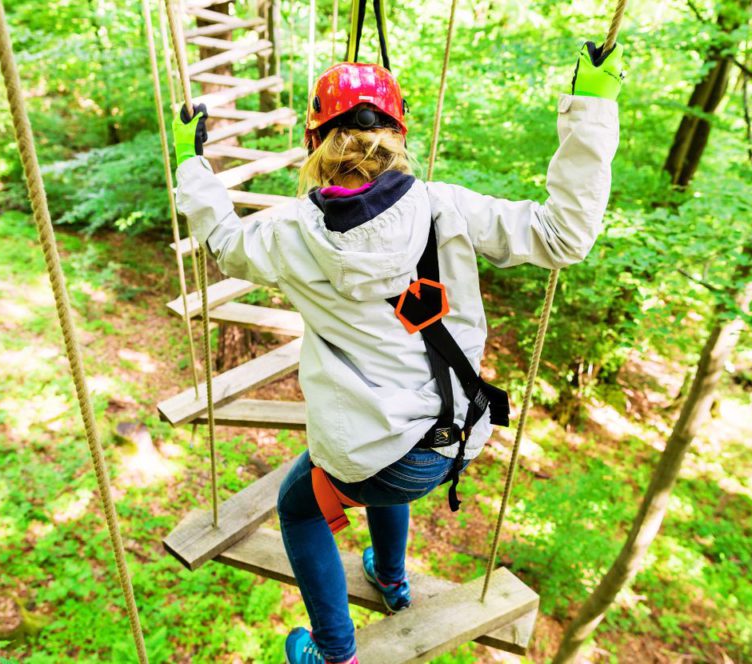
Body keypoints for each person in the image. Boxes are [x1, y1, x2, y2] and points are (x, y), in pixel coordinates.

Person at [172, 40, 623, 664]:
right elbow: (562, 235)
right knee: (377, 458)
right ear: (397, 138)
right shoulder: (446, 207)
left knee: (300, 508)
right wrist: (593, 108)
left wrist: (191, 167)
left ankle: (336, 654)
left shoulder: (286, 236)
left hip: (384, 460)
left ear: (314, 146)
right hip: (457, 438)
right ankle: (389, 577)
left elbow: (222, 241)